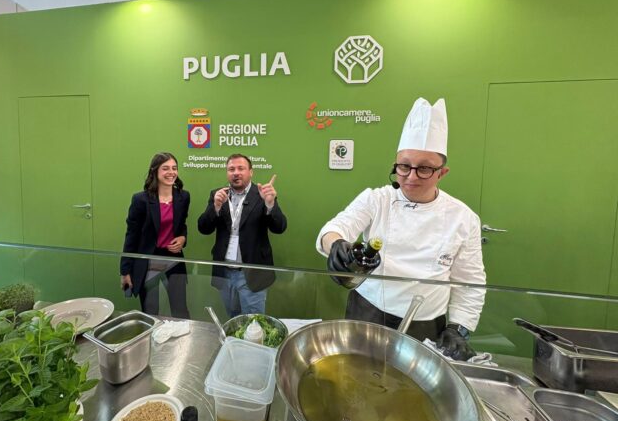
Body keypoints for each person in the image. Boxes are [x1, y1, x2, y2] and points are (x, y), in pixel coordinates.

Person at [316, 98, 486, 360]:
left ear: (442, 173)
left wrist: (458, 327)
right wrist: (336, 244)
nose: (411, 176)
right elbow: (335, 228)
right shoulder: (377, 199)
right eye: (404, 166)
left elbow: (470, 282)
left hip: (426, 323)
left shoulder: (463, 218)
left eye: (424, 168)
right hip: (368, 311)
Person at [198, 153, 287, 317]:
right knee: (233, 319)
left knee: (254, 322)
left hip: (252, 273)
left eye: (241, 168)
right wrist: (215, 207)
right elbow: (203, 228)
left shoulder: (262, 194)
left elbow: (280, 227)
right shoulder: (218, 194)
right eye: (231, 169)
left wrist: (270, 204)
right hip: (224, 272)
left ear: (251, 172)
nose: (236, 173)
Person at [120, 152, 190, 318]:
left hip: (173, 260)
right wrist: (125, 271)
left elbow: (182, 225)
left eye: (174, 168)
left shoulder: (183, 197)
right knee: (150, 311)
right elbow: (131, 235)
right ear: (155, 171)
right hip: (148, 260)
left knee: (180, 309)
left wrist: (183, 238)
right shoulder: (140, 200)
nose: (171, 172)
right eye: (165, 168)